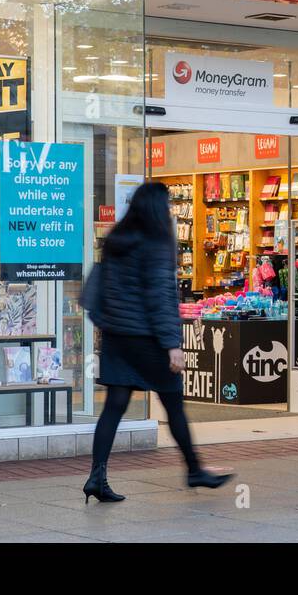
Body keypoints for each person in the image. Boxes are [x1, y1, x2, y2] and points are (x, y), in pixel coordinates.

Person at [83, 182, 232, 503]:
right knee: (174, 403)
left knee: (114, 407)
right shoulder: (157, 243)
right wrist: (172, 344)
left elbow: (102, 290)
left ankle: (97, 476)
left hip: (116, 339)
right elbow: (160, 297)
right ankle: (194, 470)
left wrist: (110, 326)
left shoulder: (116, 240)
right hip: (147, 339)